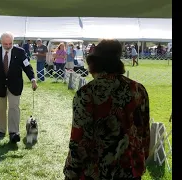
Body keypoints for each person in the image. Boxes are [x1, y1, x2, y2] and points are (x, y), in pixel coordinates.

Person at [63, 39, 150, 180]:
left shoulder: (86, 94)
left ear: (94, 63)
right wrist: (140, 161)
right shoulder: (138, 90)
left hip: (96, 171)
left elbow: (78, 139)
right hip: (129, 170)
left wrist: (71, 172)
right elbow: (144, 133)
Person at [0, 32, 38, 143]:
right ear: (1, 42)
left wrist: (33, 79)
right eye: (5, 44)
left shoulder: (20, 52)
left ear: (13, 42)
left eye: (10, 43)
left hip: (15, 85)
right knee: (0, 109)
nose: (8, 46)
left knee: (14, 108)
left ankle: (14, 132)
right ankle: (1, 130)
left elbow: (27, 66)